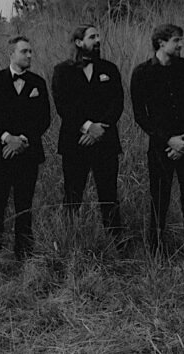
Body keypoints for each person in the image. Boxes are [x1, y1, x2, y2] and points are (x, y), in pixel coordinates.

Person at [130, 23, 184, 253]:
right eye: (176, 40)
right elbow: (140, 116)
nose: (181, 44)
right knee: (159, 198)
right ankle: (156, 249)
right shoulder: (142, 73)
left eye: (181, 39)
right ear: (161, 43)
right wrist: (168, 141)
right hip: (160, 148)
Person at [0, 36, 51, 258]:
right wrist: (7, 138)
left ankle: (24, 250)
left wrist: (22, 140)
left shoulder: (38, 83)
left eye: (30, 51)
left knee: (24, 203)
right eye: (24, 51)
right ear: (11, 54)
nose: (29, 55)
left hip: (27, 153)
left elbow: (44, 118)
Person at [51, 24, 125, 236]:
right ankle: (70, 241)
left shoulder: (109, 69)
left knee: (109, 196)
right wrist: (87, 127)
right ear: (79, 42)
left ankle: (116, 243)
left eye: (98, 36)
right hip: (75, 143)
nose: (98, 40)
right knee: (73, 195)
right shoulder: (62, 71)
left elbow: (117, 103)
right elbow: (62, 105)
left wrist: (100, 129)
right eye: (92, 37)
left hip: (106, 141)